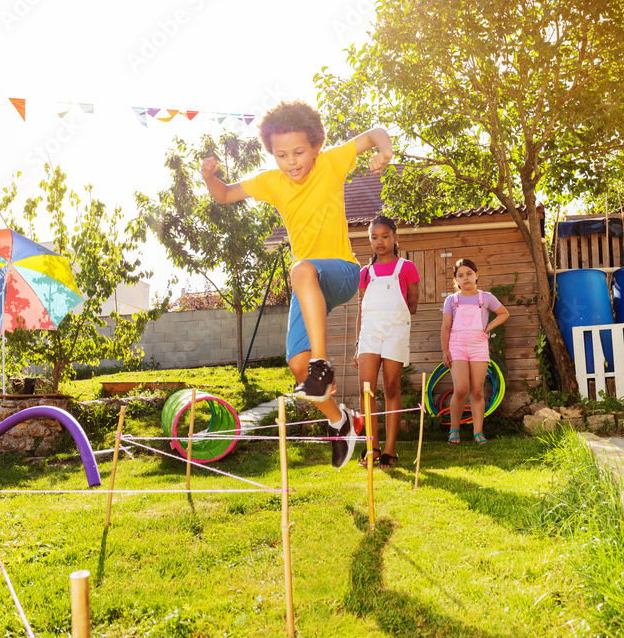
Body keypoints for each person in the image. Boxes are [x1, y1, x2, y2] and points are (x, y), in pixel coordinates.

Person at [201, 100, 395, 469]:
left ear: (317, 145)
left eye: (299, 152)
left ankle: (323, 366)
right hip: (308, 287)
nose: (291, 162)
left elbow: (373, 134)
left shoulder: (332, 162)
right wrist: (210, 175)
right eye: (281, 154)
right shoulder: (271, 182)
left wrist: (384, 149)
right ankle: (341, 422)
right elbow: (224, 194)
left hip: (339, 272)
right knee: (296, 365)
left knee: (301, 269)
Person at [354, 216, 420, 469]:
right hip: (369, 333)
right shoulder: (365, 272)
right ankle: (372, 446)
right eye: (374, 237)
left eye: (384, 236)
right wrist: (358, 343)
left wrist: (394, 315)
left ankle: (390, 451)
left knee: (392, 387)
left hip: (395, 332)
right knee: (366, 389)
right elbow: (362, 308)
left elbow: (412, 304)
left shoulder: (406, 267)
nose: (379, 241)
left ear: (395, 237)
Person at [440, 258, 509, 445]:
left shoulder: (485, 298)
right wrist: (445, 350)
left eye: (469, 273)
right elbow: (446, 327)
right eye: (460, 275)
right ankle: (454, 430)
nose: (466, 278)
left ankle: (478, 432)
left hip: (479, 347)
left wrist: (488, 327)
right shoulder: (451, 300)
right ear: (456, 279)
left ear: (476, 275)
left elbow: (504, 313)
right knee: (461, 388)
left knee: (477, 391)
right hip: (457, 346)